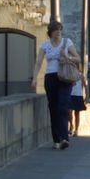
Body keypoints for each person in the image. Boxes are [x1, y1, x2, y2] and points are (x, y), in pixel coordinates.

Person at [31, 21, 80, 150]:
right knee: (53, 108)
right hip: (51, 76)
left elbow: (78, 58)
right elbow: (38, 62)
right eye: (56, 30)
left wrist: (67, 56)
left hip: (64, 76)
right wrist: (35, 78)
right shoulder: (45, 45)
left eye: (60, 29)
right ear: (51, 32)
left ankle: (64, 138)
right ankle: (56, 139)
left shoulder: (66, 42)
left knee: (62, 106)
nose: (58, 32)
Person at [68, 64, 88, 137]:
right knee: (69, 111)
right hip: (70, 95)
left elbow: (85, 86)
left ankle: (76, 130)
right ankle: (71, 125)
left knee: (77, 113)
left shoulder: (81, 75)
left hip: (78, 95)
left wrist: (86, 96)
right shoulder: (69, 74)